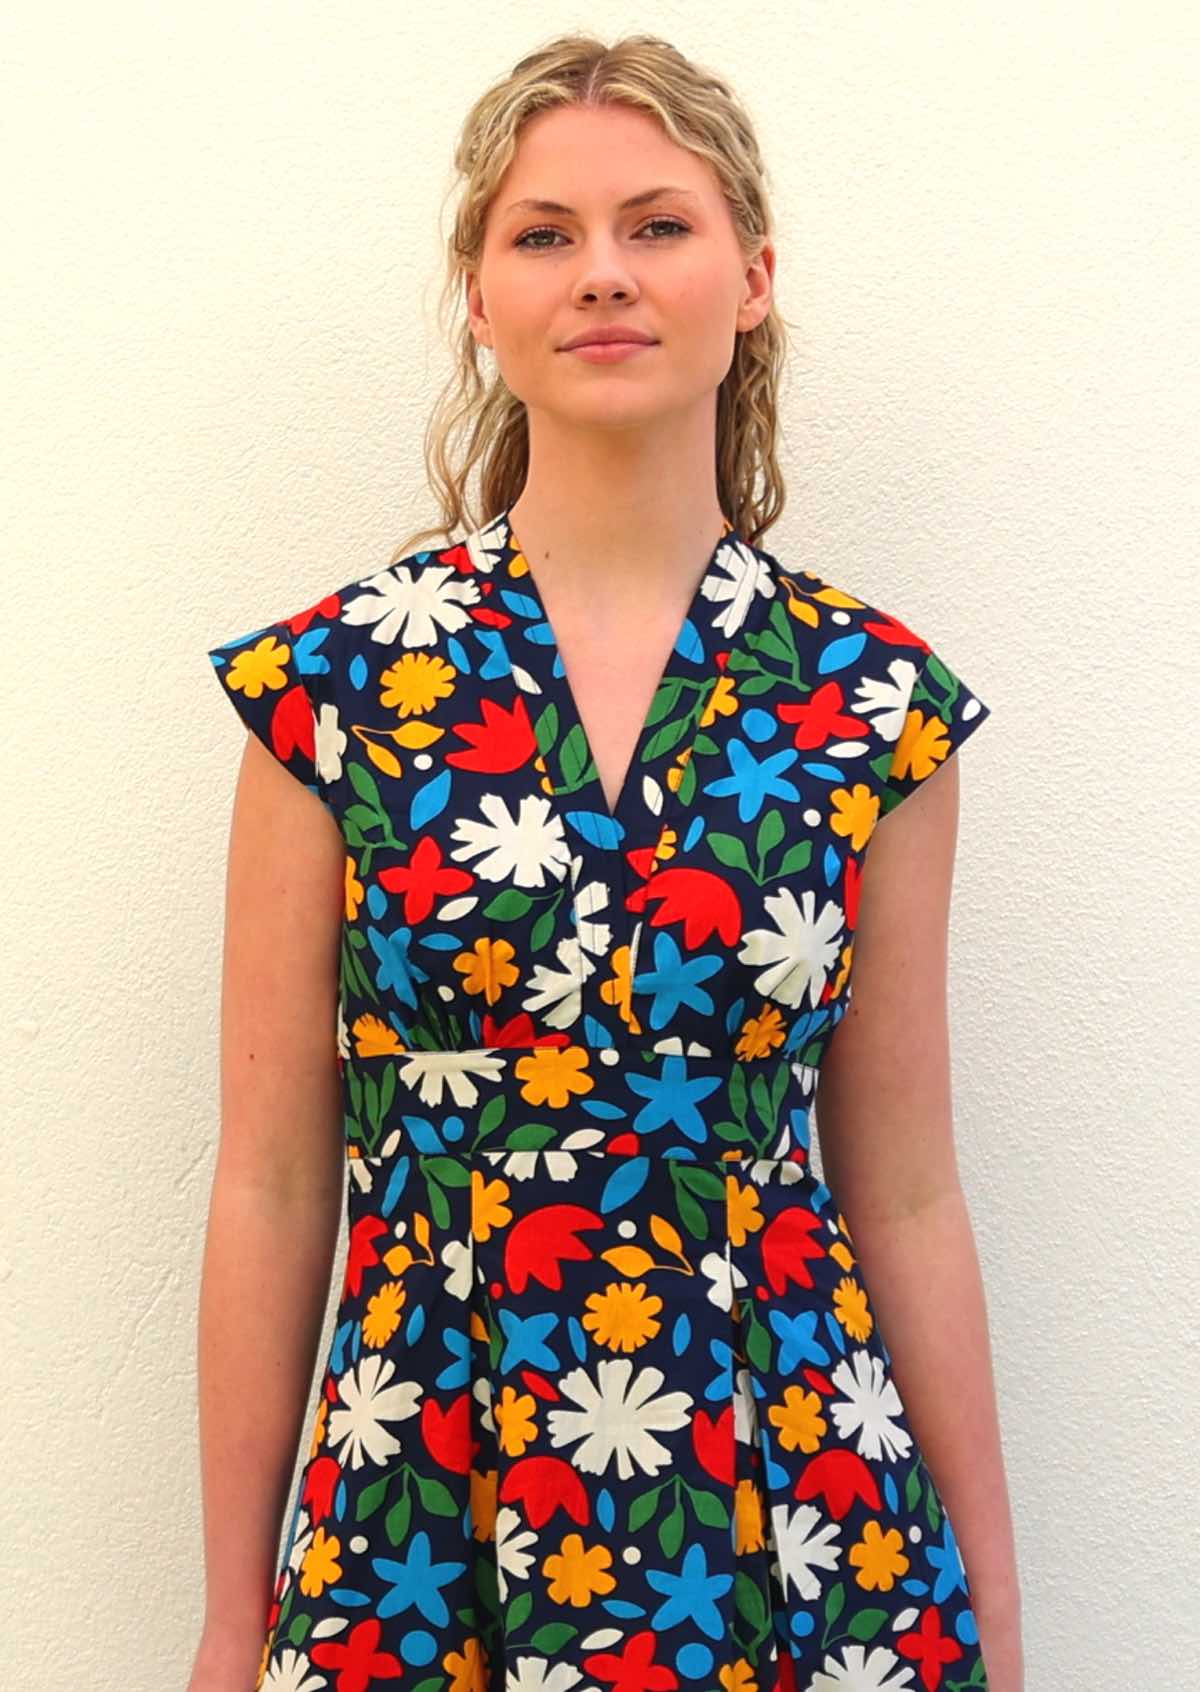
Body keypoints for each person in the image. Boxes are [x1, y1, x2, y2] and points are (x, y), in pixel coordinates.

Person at [191, 31, 1022, 1692]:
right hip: (424, 1509)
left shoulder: (872, 708)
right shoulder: (340, 689)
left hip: (798, 1512)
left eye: (658, 225)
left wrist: (997, 1616)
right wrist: (230, 1617)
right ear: (480, 298)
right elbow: (275, 1179)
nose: (604, 277)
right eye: (544, 235)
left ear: (753, 276)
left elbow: (910, 1185)